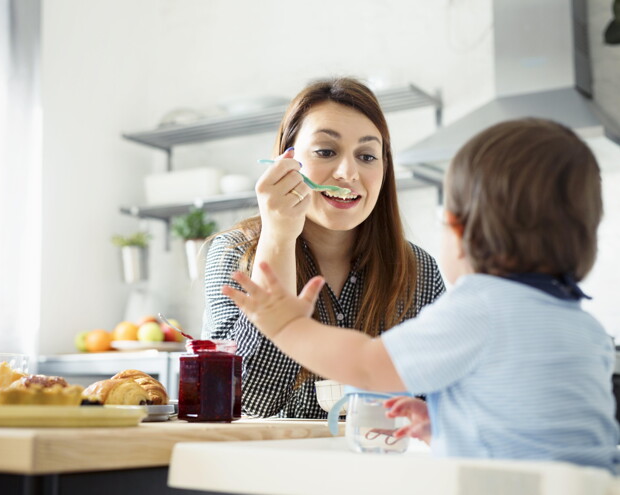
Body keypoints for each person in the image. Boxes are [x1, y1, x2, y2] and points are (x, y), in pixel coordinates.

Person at [223, 118, 620, 472]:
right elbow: (537, 427)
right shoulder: (585, 327)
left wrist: (288, 324)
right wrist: (448, 425)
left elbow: (367, 366)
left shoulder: (479, 306)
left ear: (457, 230)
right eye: (327, 151)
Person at [203, 77, 445, 418]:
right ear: (286, 161)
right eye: (326, 152)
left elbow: (437, 397)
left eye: (366, 155)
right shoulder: (234, 252)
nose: (348, 173)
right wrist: (278, 237)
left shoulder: (419, 269)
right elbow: (246, 401)